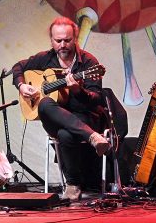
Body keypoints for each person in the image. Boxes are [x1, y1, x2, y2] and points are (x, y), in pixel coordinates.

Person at [12, 16, 110, 202]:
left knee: (66, 135)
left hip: (84, 117)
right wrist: (21, 86)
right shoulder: (45, 58)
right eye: (58, 41)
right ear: (52, 40)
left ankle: (72, 185)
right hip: (55, 118)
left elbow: (96, 99)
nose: (63, 45)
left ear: (75, 39)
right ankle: (93, 138)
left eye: (67, 40)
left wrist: (78, 91)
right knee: (45, 103)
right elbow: (18, 67)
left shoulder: (89, 63)